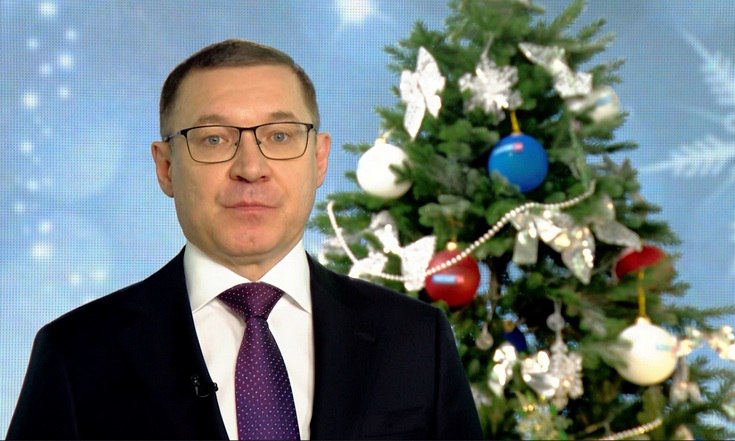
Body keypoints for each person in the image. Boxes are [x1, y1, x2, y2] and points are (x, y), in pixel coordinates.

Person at [6, 39, 482, 440]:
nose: (251, 168)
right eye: (213, 139)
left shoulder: (416, 340)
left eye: (280, 136)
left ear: (319, 160)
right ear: (166, 167)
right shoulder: (76, 355)